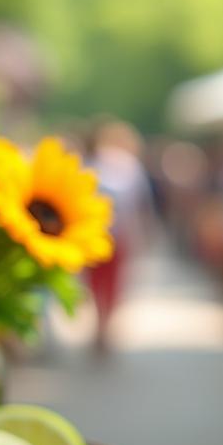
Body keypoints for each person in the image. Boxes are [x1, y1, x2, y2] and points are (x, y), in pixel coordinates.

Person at [85, 120, 153, 350]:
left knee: (96, 282)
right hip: (120, 235)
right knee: (113, 284)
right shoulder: (132, 166)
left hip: (96, 234)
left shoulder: (94, 162)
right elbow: (142, 206)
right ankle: (105, 326)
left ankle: (100, 325)